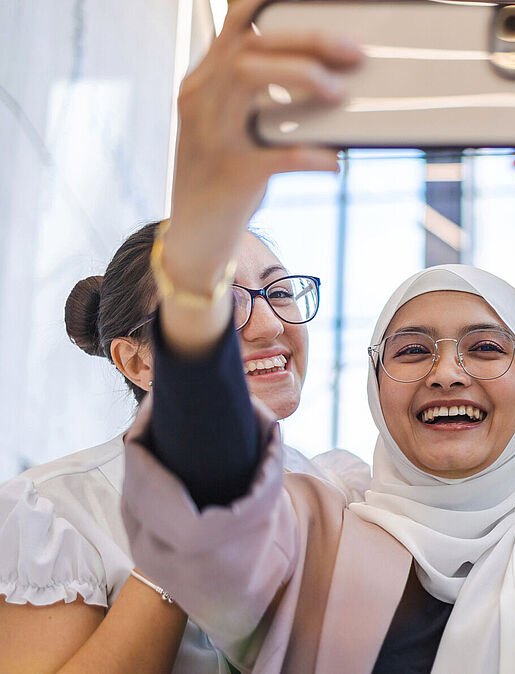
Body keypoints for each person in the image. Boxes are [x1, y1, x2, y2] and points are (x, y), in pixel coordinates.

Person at [116, 3, 515, 671]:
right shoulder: (308, 537)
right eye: (412, 350)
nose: (448, 373)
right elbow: (205, 515)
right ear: (374, 383)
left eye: (486, 348)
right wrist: (194, 257)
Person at [0, 222, 368, 673]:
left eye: (278, 291)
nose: (271, 324)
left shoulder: (342, 492)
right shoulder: (55, 512)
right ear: (136, 361)